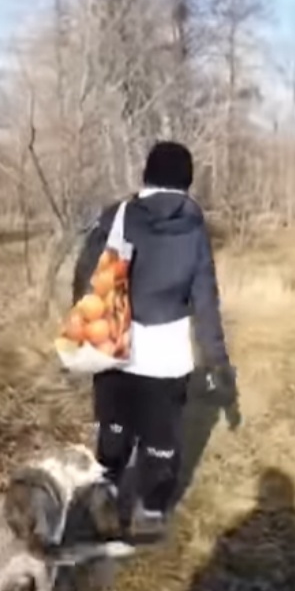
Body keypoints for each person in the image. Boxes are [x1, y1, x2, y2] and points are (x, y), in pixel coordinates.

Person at [72, 140, 238, 540]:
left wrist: (85, 322)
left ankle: (107, 492)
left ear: (147, 173)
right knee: (161, 438)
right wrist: (216, 361)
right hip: (169, 355)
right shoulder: (195, 227)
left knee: (113, 428)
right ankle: (150, 510)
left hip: (116, 347)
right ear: (187, 179)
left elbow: (85, 274)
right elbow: (205, 299)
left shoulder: (119, 214)